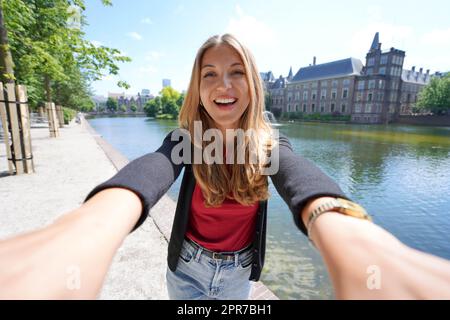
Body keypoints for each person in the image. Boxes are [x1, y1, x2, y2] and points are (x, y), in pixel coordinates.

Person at [1, 34, 450, 300]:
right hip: (186, 269)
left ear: (252, 84)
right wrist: (87, 226)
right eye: (209, 74)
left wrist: (355, 237)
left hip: (237, 276)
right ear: (198, 88)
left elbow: (297, 175)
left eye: (236, 71)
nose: (223, 84)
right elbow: (153, 169)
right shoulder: (187, 140)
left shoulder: (270, 142)